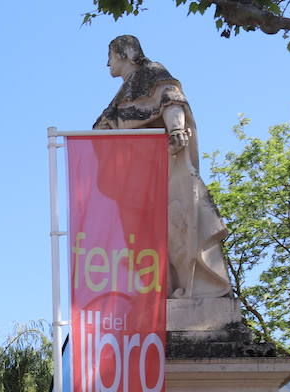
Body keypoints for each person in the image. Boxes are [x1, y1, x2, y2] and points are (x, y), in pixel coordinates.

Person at [94, 35, 234, 300]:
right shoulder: (122, 93)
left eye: (110, 55)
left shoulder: (151, 74)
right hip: (136, 179)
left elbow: (171, 101)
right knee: (142, 237)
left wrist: (177, 129)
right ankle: (158, 288)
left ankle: (186, 288)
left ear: (124, 53)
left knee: (176, 227)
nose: (107, 63)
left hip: (163, 168)